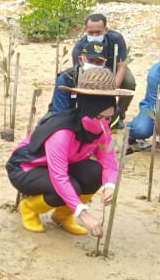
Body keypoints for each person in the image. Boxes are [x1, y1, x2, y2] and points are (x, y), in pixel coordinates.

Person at [7, 67, 132, 236]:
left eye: (108, 118)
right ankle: (29, 208)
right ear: (87, 111)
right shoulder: (62, 132)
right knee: (69, 186)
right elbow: (59, 176)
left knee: (95, 173)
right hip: (26, 168)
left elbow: (108, 160)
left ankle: (62, 216)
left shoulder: (103, 128)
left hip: (66, 165)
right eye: (99, 117)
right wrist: (83, 213)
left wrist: (110, 185)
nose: (103, 123)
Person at [69, 13, 137, 121]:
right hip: (90, 75)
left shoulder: (116, 39)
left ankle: (119, 114)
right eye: (91, 32)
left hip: (112, 70)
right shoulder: (79, 48)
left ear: (106, 30)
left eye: (98, 32)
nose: (95, 35)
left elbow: (122, 65)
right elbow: (79, 73)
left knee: (129, 81)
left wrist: (111, 87)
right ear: (85, 30)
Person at [48, 50, 109, 114]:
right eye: (91, 60)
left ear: (105, 63)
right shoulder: (67, 78)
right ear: (81, 60)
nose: (94, 65)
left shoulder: (107, 80)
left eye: (99, 62)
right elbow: (60, 112)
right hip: (68, 117)